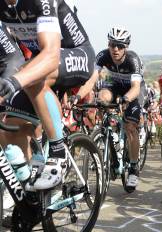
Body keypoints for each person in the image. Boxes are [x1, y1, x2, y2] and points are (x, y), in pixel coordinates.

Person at [0, 0, 97, 190]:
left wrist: (14, 81)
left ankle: (58, 153)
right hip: (42, 61)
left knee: (30, 75)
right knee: (10, 127)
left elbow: (51, 55)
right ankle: (29, 186)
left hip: (77, 54)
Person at [95, 26, 144, 189]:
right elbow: (91, 79)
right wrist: (79, 97)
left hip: (132, 89)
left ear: (126, 47)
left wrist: (126, 98)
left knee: (130, 127)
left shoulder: (132, 59)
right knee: (102, 97)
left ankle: (133, 167)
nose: (115, 49)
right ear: (108, 44)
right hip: (114, 84)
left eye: (120, 46)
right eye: (112, 44)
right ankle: (109, 135)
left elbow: (136, 88)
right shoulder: (102, 56)